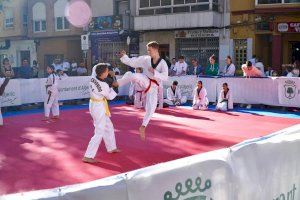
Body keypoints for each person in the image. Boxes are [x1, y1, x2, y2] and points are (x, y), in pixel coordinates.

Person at [114, 41, 168, 140]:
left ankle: (143, 126)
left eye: (150, 50)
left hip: (153, 87)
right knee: (133, 75)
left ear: (156, 50)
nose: (148, 52)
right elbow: (133, 62)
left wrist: (155, 72)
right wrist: (124, 57)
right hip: (145, 80)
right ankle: (117, 83)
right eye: (147, 50)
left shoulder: (162, 63)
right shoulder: (146, 59)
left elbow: (165, 77)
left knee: (151, 108)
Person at [83, 63, 120, 164]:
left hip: (96, 104)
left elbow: (96, 67)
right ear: (103, 74)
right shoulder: (103, 85)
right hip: (98, 107)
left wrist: (109, 73)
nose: (108, 72)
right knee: (99, 131)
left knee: (109, 126)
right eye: (107, 71)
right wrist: (115, 84)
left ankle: (111, 147)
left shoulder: (93, 77)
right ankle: (88, 155)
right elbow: (110, 96)